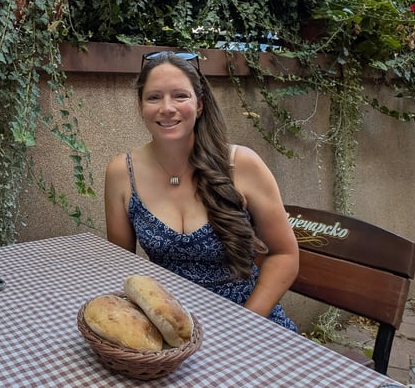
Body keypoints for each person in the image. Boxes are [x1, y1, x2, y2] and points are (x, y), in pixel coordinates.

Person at [104, 51, 299, 331]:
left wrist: (246, 323)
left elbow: (285, 255)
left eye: (180, 96)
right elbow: (120, 266)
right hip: (172, 326)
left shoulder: (242, 165)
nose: (167, 107)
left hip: (249, 321)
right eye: (154, 97)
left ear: (199, 105)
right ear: (140, 107)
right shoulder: (121, 172)